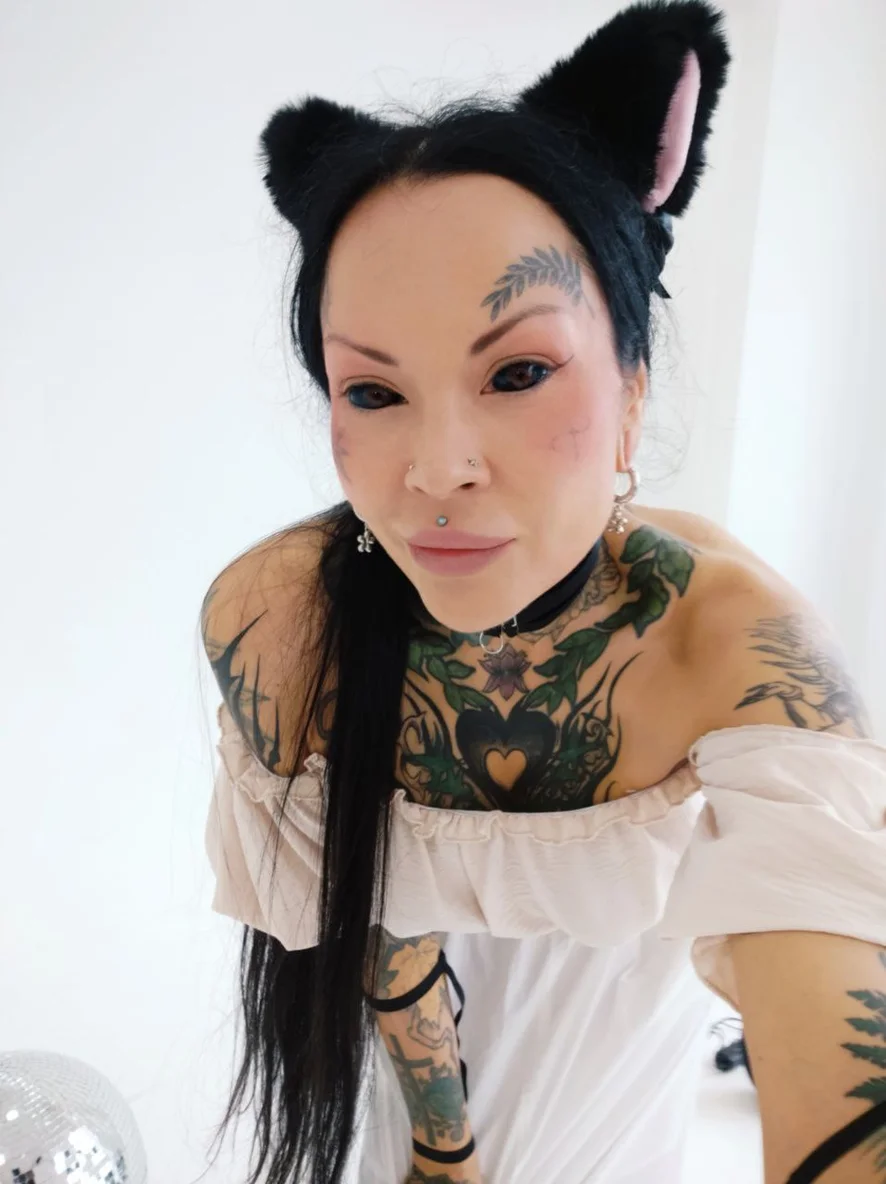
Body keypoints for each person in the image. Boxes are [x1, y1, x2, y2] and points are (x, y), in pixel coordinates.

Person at [200, 3, 886, 1182]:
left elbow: (835, 1030)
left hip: (624, 1114)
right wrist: (442, 1153)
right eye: (374, 392)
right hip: (406, 1120)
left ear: (631, 386)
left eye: (517, 371)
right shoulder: (281, 619)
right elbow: (382, 919)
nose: (437, 470)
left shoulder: (731, 643)